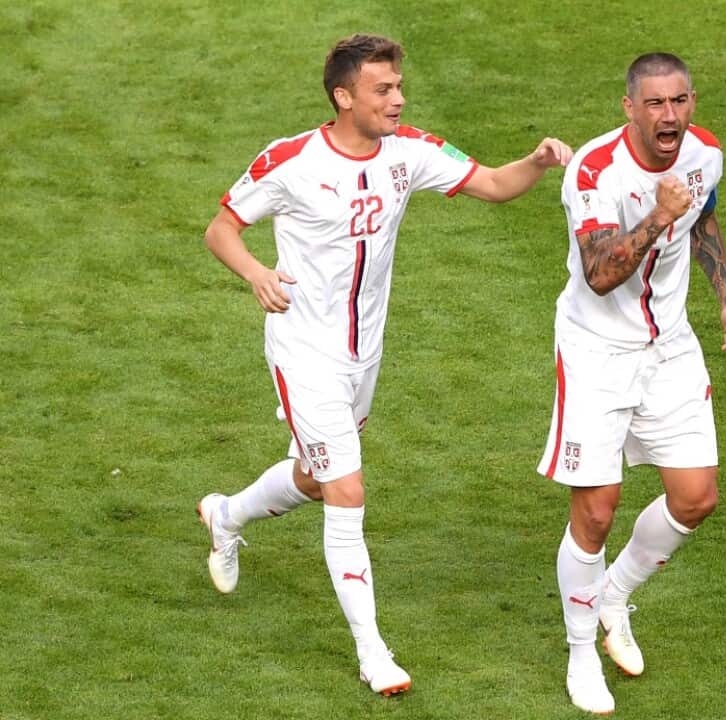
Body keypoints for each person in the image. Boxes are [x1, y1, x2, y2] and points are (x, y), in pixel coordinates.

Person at [198, 33, 571, 696]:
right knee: (347, 492)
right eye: (383, 89)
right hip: (303, 351)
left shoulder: (410, 153)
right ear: (344, 97)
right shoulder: (290, 161)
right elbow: (221, 228)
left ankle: (226, 515)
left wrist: (537, 162)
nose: (398, 99)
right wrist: (256, 272)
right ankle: (374, 654)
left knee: (316, 480)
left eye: (398, 86)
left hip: (364, 355)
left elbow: (490, 184)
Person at [537, 52, 726, 714]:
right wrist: (658, 216)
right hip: (597, 350)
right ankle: (580, 654)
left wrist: (725, 296)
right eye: (656, 104)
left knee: (696, 498)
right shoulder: (594, 172)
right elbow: (602, 272)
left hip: (670, 348)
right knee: (597, 509)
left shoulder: (705, 153)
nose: (671, 116)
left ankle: (614, 594)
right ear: (629, 107)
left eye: (681, 101)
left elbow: (703, 215)